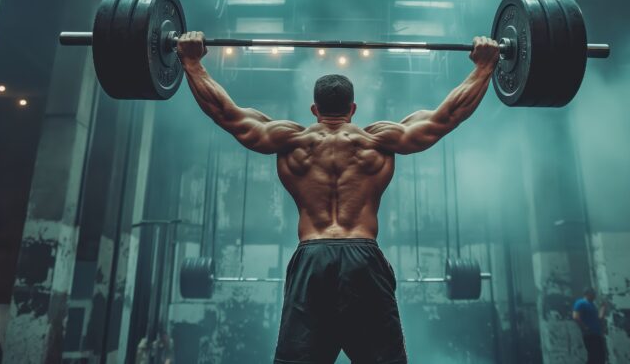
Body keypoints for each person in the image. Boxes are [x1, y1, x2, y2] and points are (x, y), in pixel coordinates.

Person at [177, 32, 500, 364]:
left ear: (314, 108)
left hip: (311, 257)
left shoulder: (290, 141)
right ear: (353, 108)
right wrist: (484, 66)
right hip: (363, 255)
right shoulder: (379, 141)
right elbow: (448, 116)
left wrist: (192, 62)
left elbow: (223, 112)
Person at [573, 287, 607, 364]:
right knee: (594, 356)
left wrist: (603, 307)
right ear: (588, 294)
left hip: (597, 334)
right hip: (590, 334)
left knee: (601, 356)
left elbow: (599, 318)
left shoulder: (592, 305)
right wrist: (584, 327)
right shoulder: (580, 302)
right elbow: (575, 316)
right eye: (594, 294)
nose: (595, 296)